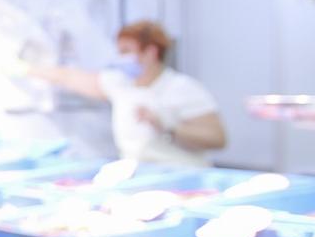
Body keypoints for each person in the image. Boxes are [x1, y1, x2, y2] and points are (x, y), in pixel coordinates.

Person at [28, 19, 227, 166]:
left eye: (126, 51)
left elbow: (217, 139)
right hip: (139, 176)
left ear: (151, 52)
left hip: (182, 177)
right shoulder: (120, 84)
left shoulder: (183, 88)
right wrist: (25, 69)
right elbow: (69, 77)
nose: (120, 57)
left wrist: (166, 126)